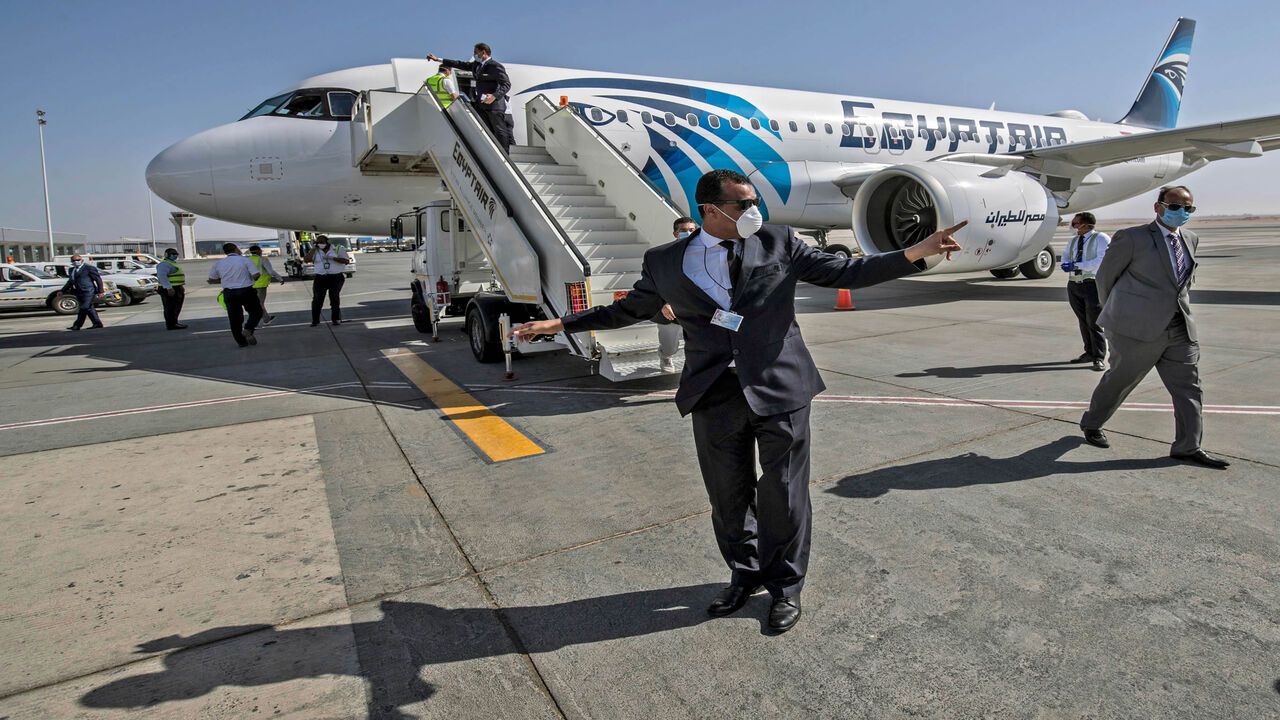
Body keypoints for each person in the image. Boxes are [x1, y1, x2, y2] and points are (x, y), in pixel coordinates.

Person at [512, 169, 965, 633]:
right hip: (714, 391)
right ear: (709, 210)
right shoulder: (666, 260)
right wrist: (561, 325)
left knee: (785, 495)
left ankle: (786, 587)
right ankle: (745, 574)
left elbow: (845, 272)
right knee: (727, 497)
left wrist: (915, 252)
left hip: (779, 386)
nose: (754, 212)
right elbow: (626, 309)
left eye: (755, 203)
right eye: (742, 205)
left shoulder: (779, 241)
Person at [1080, 185, 1229, 469]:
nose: (1181, 212)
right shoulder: (1132, 238)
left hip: (1179, 328)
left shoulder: (1191, 238)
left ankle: (1188, 447)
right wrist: (1118, 319)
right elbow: (1105, 280)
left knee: (1189, 388)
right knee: (1121, 381)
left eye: (1188, 208)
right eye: (1175, 207)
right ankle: (1092, 423)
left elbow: (1180, 285)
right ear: (1158, 206)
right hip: (1135, 330)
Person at [427, 43, 513, 153]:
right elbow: (458, 64)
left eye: (476, 52)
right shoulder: (476, 65)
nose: (474, 55)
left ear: (483, 52)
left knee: (499, 130)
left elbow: (506, 84)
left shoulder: (494, 66)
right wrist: (438, 59)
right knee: (487, 130)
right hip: (482, 104)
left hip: (494, 104)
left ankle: (505, 154)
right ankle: (494, 151)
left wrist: (495, 96)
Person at [1061, 212, 1111, 371]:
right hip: (1074, 284)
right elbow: (1066, 255)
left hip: (1092, 285)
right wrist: (1066, 263)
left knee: (1094, 322)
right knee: (1083, 321)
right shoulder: (1074, 240)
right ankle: (1089, 352)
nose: (1073, 226)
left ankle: (1099, 356)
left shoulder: (1101, 239)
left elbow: (1101, 261)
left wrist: (1077, 266)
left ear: (1085, 224)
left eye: (1075, 223)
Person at [657, 217, 699, 372]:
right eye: (683, 231)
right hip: (671, 310)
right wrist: (664, 303)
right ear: (675, 234)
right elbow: (655, 283)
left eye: (691, 230)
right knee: (669, 347)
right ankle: (665, 356)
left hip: (696, 310)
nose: (688, 233)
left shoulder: (707, 252)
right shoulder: (663, 256)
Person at [207, 243, 263, 347]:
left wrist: (225, 279)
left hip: (229, 292)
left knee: (234, 319)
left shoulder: (219, 263)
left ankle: (241, 342)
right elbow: (255, 275)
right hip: (246, 290)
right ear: (236, 249)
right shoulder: (245, 260)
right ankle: (248, 329)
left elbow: (211, 279)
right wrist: (256, 276)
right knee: (256, 312)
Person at [305, 235, 350, 326]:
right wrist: (313, 250)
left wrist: (333, 258)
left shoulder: (337, 249)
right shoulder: (316, 251)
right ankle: (315, 320)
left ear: (327, 242)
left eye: (321, 242)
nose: (320, 244)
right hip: (321, 277)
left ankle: (336, 319)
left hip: (335, 277)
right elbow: (306, 260)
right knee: (317, 299)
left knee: (334, 298)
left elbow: (346, 261)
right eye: (318, 242)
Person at [60, 255, 105, 331]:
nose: (76, 262)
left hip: (88, 291)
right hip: (79, 291)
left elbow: (98, 279)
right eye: (74, 261)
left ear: (82, 260)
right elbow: (70, 282)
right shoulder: (72, 270)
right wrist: (62, 290)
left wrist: (101, 291)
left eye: (78, 260)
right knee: (89, 308)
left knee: (83, 308)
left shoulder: (89, 268)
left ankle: (77, 325)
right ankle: (97, 323)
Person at [247, 245, 284, 326]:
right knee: (260, 304)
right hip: (261, 284)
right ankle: (262, 320)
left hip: (249, 285)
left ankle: (265, 318)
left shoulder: (247, 260)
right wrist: (279, 278)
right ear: (258, 251)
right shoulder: (262, 259)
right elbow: (270, 271)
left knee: (253, 304)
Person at [155, 248, 187, 330]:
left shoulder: (172, 263)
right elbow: (162, 276)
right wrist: (169, 288)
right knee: (170, 307)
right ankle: (171, 324)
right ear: (167, 255)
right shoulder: (165, 264)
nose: (175, 255)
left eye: (176, 253)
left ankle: (174, 322)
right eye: (173, 253)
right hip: (170, 289)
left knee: (176, 307)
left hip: (176, 287)